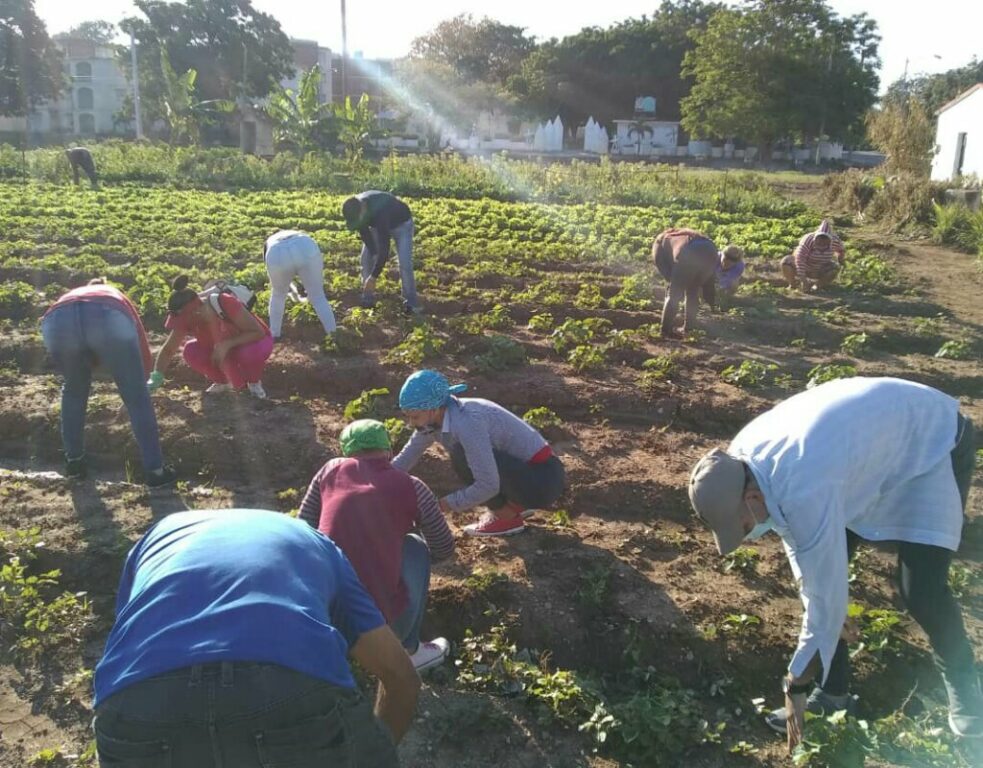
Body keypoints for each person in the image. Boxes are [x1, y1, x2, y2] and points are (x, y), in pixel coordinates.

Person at [687, 377, 981, 750]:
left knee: (921, 589)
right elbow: (805, 556)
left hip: (931, 440)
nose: (747, 535)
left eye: (743, 526)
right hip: (866, 453)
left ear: (752, 497)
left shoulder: (805, 487)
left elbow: (818, 581)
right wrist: (822, 599)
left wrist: (795, 685)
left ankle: (967, 691)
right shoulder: (741, 464)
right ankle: (833, 696)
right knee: (825, 590)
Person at [93, 508, 419, 767]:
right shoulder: (317, 544)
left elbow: (129, 635)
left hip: (136, 704)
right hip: (290, 692)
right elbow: (400, 676)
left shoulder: (157, 537)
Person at [299, 419, 455, 671]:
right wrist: (390, 546)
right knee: (415, 545)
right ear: (389, 450)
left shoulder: (330, 470)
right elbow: (444, 546)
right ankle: (408, 650)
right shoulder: (413, 486)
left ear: (346, 451)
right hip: (378, 632)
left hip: (318, 620)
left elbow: (303, 529)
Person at [392, 370, 566, 537]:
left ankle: (506, 517)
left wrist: (440, 506)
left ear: (434, 409)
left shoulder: (467, 423)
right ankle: (515, 505)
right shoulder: (437, 419)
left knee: (461, 457)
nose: (410, 422)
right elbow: (409, 454)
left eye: (414, 417)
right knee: (465, 456)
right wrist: (379, 480)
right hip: (527, 473)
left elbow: (488, 485)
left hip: (543, 480)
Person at [40, 279, 176, 487]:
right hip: (106, 316)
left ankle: (74, 463)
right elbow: (140, 341)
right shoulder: (115, 296)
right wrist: (144, 378)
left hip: (56, 320)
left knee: (74, 390)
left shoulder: (71, 296)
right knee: (136, 396)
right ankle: (156, 472)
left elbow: (82, 343)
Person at [150, 275, 273, 399]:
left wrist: (227, 344)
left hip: (255, 342)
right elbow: (168, 350)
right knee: (191, 351)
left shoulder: (224, 303)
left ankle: (254, 384)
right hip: (224, 349)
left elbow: (257, 332)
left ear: (197, 308)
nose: (185, 322)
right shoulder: (182, 314)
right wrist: (156, 377)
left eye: (188, 316)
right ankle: (226, 383)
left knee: (247, 352)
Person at [341, 191, 421, 314]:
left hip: (402, 225)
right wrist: (374, 253)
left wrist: (373, 276)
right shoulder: (357, 209)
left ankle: (411, 303)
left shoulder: (380, 212)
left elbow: (385, 249)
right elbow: (365, 234)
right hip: (378, 225)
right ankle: (367, 298)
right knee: (365, 258)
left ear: (363, 210)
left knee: (405, 263)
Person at [653, 228, 733, 337]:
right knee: (693, 291)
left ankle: (664, 331)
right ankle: (689, 327)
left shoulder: (659, 243)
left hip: (689, 254)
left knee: (674, 295)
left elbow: (666, 271)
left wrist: (675, 282)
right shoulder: (682, 234)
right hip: (711, 251)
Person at [263, 229, 338, 340]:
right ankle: (333, 334)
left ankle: (275, 334)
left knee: (278, 295)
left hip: (276, 252)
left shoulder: (269, 242)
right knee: (318, 296)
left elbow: (272, 273)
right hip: (305, 246)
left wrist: (289, 288)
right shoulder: (297, 233)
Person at [780, 219, 845, 291]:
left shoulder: (835, 241)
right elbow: (799, 259)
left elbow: (841, 250)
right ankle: (793, 285)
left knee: (834, 268)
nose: (821, 243)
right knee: (786, 261)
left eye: (824, 242)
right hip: (805, 265)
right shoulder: (808, 240)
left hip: (821, 267)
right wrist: (803, 280)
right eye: (819, 241)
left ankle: (817, 286)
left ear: (830, 240)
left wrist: (840, 258)